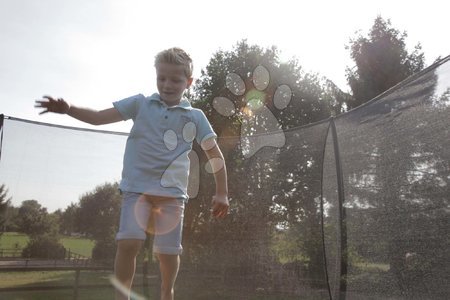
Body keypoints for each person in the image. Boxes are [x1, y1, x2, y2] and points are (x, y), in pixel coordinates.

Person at [35, 47, 229, 300]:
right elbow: (98, 118)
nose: (167, 84)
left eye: (175, 79)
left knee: (167, 253)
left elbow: (214, 154)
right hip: (136, 188)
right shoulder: (140, 104)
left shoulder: (196, 117)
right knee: (129, 243)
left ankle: (167, 290)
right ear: (156, 76)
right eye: (162, 78)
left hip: (171, 194)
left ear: (188, 83)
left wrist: (222, 192)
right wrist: (69, 108)